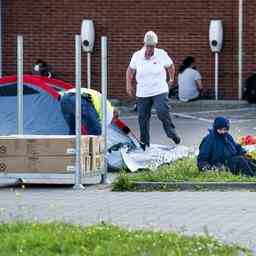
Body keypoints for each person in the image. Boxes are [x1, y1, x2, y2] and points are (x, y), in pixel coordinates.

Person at [126, 31, 181, 147]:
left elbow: (170, 66)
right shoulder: (137, 56)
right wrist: (128, 84)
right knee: (143, 118)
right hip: (143, 92)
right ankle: (144, 143)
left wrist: (171, 79)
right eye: (149, 46)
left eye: (153, 46)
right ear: (144, 44)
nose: (151, 49)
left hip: (159, 90)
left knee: (162, 111)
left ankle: (172, 134)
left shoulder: (161, 54)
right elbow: (130, 70)